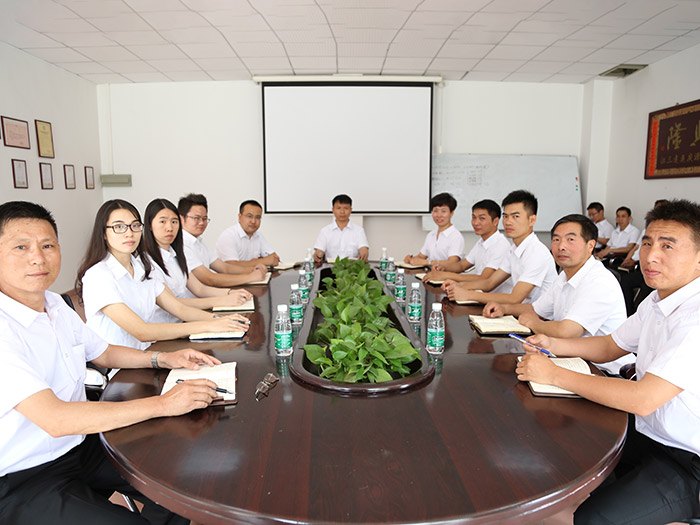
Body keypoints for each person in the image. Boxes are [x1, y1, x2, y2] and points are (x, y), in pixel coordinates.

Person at [0, 200, 224, 524]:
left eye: (47, 245)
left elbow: (103, 352)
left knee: (180, 482)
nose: (38, 257)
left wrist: (163, 358)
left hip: (81, 447)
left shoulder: (54, 305)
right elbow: (55, 419)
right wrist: (164, 403)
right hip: (25, 476)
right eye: (21, 247)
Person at [516, 199, 700, 524]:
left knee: (593, 519)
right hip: (646, 430)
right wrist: (553, 344)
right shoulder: (657, 300)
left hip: (686, 459)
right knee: (561, 433)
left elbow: (644, 399)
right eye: (647, 243)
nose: (650, 256)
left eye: (667, 246)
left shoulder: (694, 317)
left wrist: (555, 374)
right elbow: (610, 345)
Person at [76, 199, 249, 350]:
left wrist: (219, 319)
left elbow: (179, 308)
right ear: (103, 233)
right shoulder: (98, 276)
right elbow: (142, 331)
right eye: (119, 227)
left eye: (135, 226)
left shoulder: (141, 268)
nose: (129, 233)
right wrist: (208, 325)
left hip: (148, 353)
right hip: (117, 368)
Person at [483, 214, 632, 374]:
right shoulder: (564, 276)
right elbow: (535, 309)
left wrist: (534, 323)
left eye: (570, 240)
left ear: (590, 246)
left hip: (605, 371)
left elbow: (567, 332)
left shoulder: (599, 281)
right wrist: (504, 308)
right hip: (571, 359)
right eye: (556, 239)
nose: (561, 246)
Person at [142, 198, 253, 323]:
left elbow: (199, 289)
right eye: (163, 221)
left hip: (186, 320)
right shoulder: (147, 262)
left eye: (174, 221)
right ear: (149, 225)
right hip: (167, 327)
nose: (169, 228)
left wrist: (230, 293)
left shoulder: (176, 255)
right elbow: (174, 303)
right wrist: (222, 301)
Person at [443, 190, 557, 305]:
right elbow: (490, 282)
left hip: (537, 314)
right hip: (519, 311)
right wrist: (459, 285)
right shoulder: (514, 249)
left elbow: (515, 298)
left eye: (515, 216)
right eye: (505, 216)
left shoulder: (537, 252)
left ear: (532, 220)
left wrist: (468, 294)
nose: (508, 222)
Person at [422, 199, 511, 293]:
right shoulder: (481, 242)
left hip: (494, 299)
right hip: (479, 294)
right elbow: (462, 265)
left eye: (482, 218)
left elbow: (484, 278)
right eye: (474, 218)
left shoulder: (500, 245)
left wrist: (446, 275)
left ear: (495, 221)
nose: (476, 223)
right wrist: (443, 267)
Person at [178, 193, 266, 287]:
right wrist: (250, 277)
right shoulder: (182, 245)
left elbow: (224, 268)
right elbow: (209, 278)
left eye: (204, 218)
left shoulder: (198, 241)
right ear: (181, 218)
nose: (201, 223)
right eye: (196, 218)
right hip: (199, 295)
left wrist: (254, 269)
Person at [404, 192, 464, 268]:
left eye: (443, 211)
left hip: (447, 275)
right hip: (430, 273)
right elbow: (421, 257)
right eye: (435, 211)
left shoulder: (456, 236)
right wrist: (411, 259)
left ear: (451, 213)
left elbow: (452, 263)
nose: (439, 215)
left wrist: (428, 262)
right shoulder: (431, 235)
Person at [215, 199, 280, 267]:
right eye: (249, 216)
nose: (253, 221)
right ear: (239, 217)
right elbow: (231, 266)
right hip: (227, 274)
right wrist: (261, 261)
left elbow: (274, 258)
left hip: (251, 273)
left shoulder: (258, 235)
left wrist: (258, 261)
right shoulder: (228, 236)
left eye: (257, 217)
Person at [313, 194, 369, 266]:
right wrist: (318, 254)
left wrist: (364, 253)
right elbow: (320, 251)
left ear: (351, 210)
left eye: (346, 208)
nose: (342, 212)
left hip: (352, 269)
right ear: (333, 210)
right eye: (338, 208)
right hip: (330, 268)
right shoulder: (325, 231)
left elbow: (363, 248)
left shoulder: (359, 230)